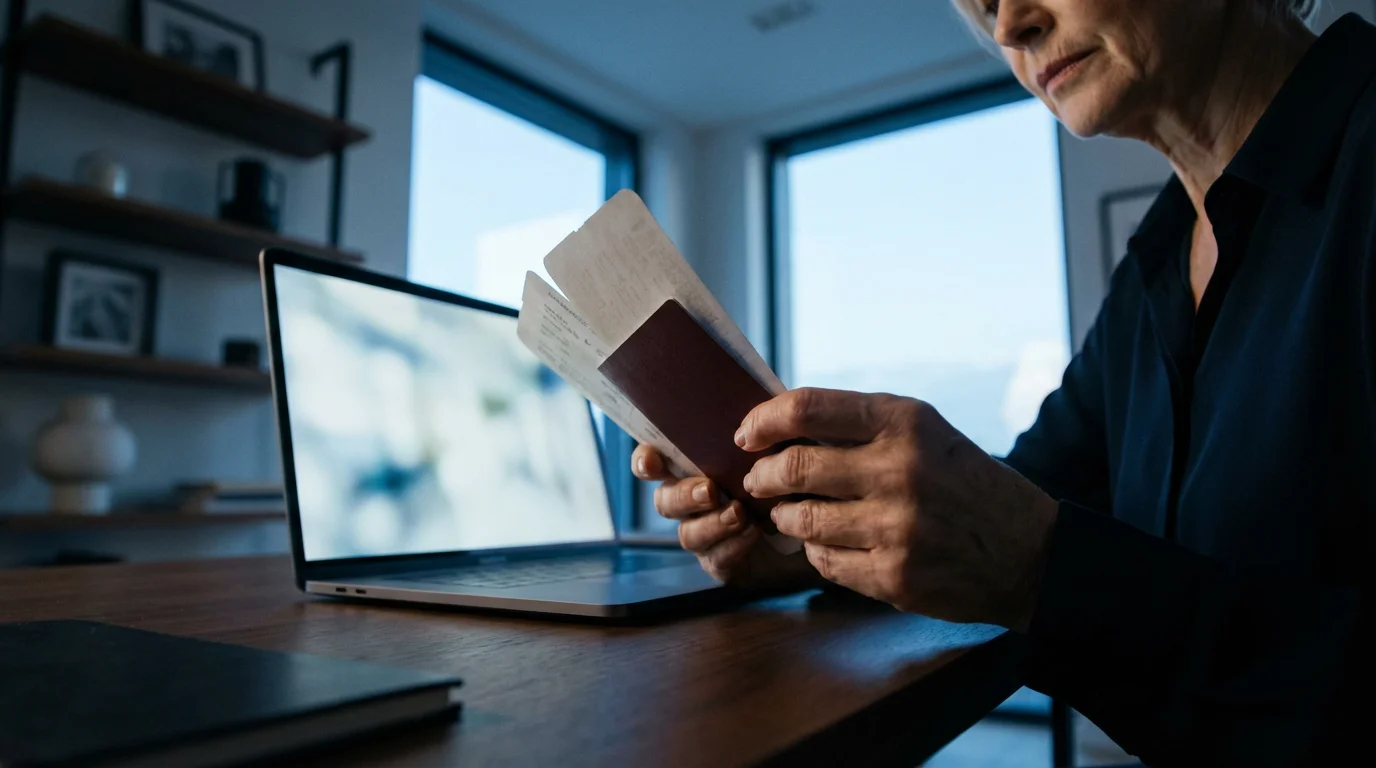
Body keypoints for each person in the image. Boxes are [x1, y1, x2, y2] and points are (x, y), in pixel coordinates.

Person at [632, 0, 1376, 764]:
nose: (1009, 27)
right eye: (982, 6)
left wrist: (1044, 570)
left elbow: (1029, 545)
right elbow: (1022, 498)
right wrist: (805, 542)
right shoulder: (1153, 268)